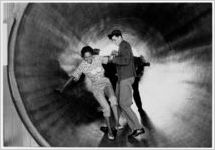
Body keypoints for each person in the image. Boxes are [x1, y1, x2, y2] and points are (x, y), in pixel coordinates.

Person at [58, 46, 119, 140]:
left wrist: (114, 55)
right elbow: (72, 78)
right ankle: (110, 131)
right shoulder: (83, 65)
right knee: (106, 107)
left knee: (113, 100)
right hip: (96, 88)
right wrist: (62, 88)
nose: (88, 59)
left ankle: (117, 124)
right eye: (85, 58)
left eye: (90, 56)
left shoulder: (98, 58)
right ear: (83, 57)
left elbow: (110, 59)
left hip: (105, 83)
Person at [108, 29, 145, 139]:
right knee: (118, 102)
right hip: (121, 78)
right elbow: (123, 59)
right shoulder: (121, 47)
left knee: (124, 104)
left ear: (119, 37)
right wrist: (117, 54)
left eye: (115, 39)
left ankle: (138, 127)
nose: (114, 42)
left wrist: (113, 58)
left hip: (126, 78)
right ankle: (128, 127)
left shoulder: (124, 45)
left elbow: (126, 60)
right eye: (113, 40)